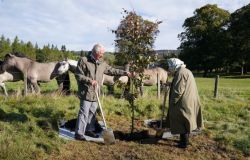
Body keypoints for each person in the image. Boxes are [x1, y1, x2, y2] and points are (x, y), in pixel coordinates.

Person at [74, 43, 131, 140]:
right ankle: (79, 133)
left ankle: (89, 130)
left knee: (92, 112)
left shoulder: (102, 63)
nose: (103, 55)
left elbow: (111, 70)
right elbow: (78, 75)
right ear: (96, 53)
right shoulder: (84, 61)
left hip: (96, 92)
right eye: (102, 53)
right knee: (84, 112)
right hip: (86, 91)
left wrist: (124, 72)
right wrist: (90, 81)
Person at [165, 58, 203, 148]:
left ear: (175, 66)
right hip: (188, 99)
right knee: (185, 120)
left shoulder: (181, 73)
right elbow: (180, 84)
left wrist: (172, 101)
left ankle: (184, 143)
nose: (170, 68)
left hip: (183, 101)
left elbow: (178, 91)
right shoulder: (185, 71)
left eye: (170, 66)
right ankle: (184, 141)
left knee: (181, 120)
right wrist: (171, 84)